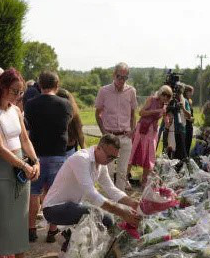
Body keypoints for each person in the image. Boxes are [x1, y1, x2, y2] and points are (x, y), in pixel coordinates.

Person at [0, 68, 40, 258]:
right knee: (0, 219)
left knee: (20, 218)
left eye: (21, 92)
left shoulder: (16, 110)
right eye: (14, 91)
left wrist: (35, 162)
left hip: (21, 168)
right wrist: (25, 165)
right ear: (3, 87)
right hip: (3, 169)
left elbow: (25, 140)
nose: (17, 96)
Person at [42, 134, 141, 253]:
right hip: (53, 209)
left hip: (71, 206)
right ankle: (69, 249)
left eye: (114, 158)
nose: (111, 161)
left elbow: (111, 189)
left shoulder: (100, 163)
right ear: (99, 148)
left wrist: (133, 203)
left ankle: (67, 237)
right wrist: (121, 211)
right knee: (101, 215)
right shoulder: (81, 159)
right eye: (109, 157)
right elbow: (91, 194)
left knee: (105, 217)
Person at [25, 71, 72, 244]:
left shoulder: (30, 104)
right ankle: (52, 231)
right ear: (57, 85)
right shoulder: (65, 104)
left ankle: (31, 229)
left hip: (36, 154)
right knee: (54, 194)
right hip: (58, 153)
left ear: (39, 84)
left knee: (34, 193)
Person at [95, 62, 137, 191]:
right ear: (114, 75)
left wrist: (132, 131)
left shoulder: (131, 91)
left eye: (125, 78)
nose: (122, 80)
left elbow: (133, 114)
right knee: (107, 171)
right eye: (119, 77)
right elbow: (97, 114)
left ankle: (120, 203)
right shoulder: (104, 91)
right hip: (110, 136)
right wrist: (104, 132)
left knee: (122, 172)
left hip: (125, 136)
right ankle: (109, 202)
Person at [127, 85, 173, 185]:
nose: (165, 97)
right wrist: (156, 111)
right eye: (164, 94)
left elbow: (166, 120)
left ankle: (144, 181)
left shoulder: (165, 106)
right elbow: (141, 113)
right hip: (142, 129)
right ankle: (125, 178)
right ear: (160, 93)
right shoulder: (151, 100)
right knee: (133, 151)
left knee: (149, 155)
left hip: (152, 132)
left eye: (168, 96)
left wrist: (168, 121)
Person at [57, 88, 86, 157]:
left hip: (67, 151)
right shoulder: (74, 114)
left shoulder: (74, 115)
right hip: (67, 151)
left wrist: (85, 152)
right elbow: (80, 135)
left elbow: (80, 135)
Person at [184, 85, 194, 155]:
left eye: (191, 92)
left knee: (189, 143)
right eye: (189, 92)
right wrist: (190, 118)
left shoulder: (189, 101)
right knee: (185, 143)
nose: (191, 93)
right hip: (186, 124)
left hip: (190, 124)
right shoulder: (184, 100)